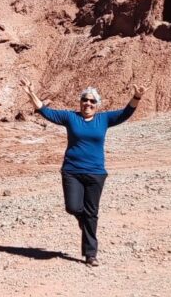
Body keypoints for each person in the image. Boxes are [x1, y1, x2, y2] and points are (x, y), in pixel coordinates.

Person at [22, 79, 144, 266]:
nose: (88, 103)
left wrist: (136, 96)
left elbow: (126, 112)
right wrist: (31, 93)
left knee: (92, 213)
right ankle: (84, 222)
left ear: (97, 105)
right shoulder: (71, 118)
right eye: (85, 100)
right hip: (72, 171)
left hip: (96, 173)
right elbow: (45, 112)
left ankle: (90, 254)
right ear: (80, 102)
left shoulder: (104, 119)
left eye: (92, 101)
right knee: (73, 207)